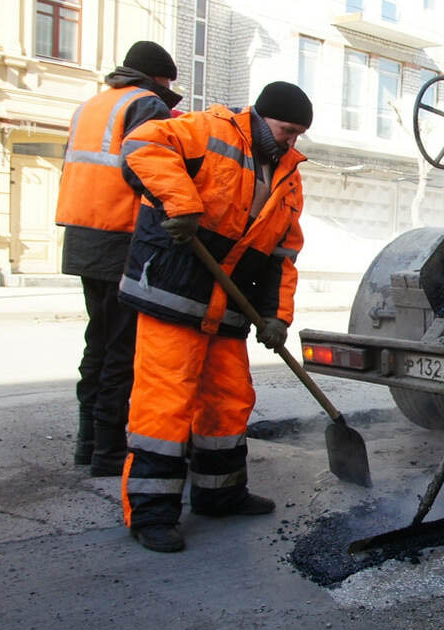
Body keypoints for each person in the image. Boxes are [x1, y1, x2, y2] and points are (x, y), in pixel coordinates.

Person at [116, 81, 312, 552]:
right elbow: (141, 145)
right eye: (287, 130)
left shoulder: (288, 177)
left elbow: (283, 256)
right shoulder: (208, 130)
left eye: (298, 134)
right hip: (174, 292)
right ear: (262, 117)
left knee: (229, 399)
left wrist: (276, 317)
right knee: (165, 406)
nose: (292, 141)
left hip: (229, 306)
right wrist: (180, 203)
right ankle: (151, 514)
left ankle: (219, 494)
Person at [55, 41, 182, 476]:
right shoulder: (147, 104)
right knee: (121, 348)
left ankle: (87, 443)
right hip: (120, 238)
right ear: (157, 79)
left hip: (82, 235)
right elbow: (149, 169)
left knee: (98, 340)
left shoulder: (92, 105)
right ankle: (109, 452)